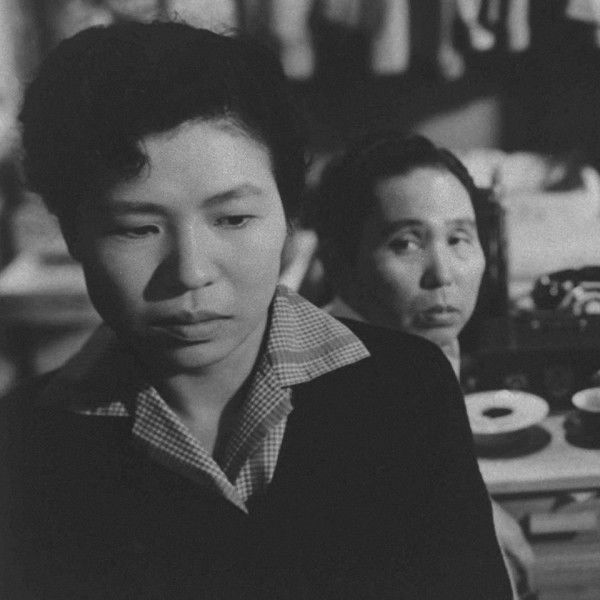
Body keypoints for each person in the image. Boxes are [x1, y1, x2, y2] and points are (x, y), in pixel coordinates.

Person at [0, 22, 511, 599]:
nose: (191, 271)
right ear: (73, 235)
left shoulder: (408, 388)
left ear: (289, 222)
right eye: (137, 228)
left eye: (233, 219)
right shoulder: (24, 444)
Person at [312, 132, 536, 598]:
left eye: (458, 238)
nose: (443, 274)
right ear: (340, 265)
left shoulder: (421, 348)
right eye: (406, 243)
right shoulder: (332, 388)